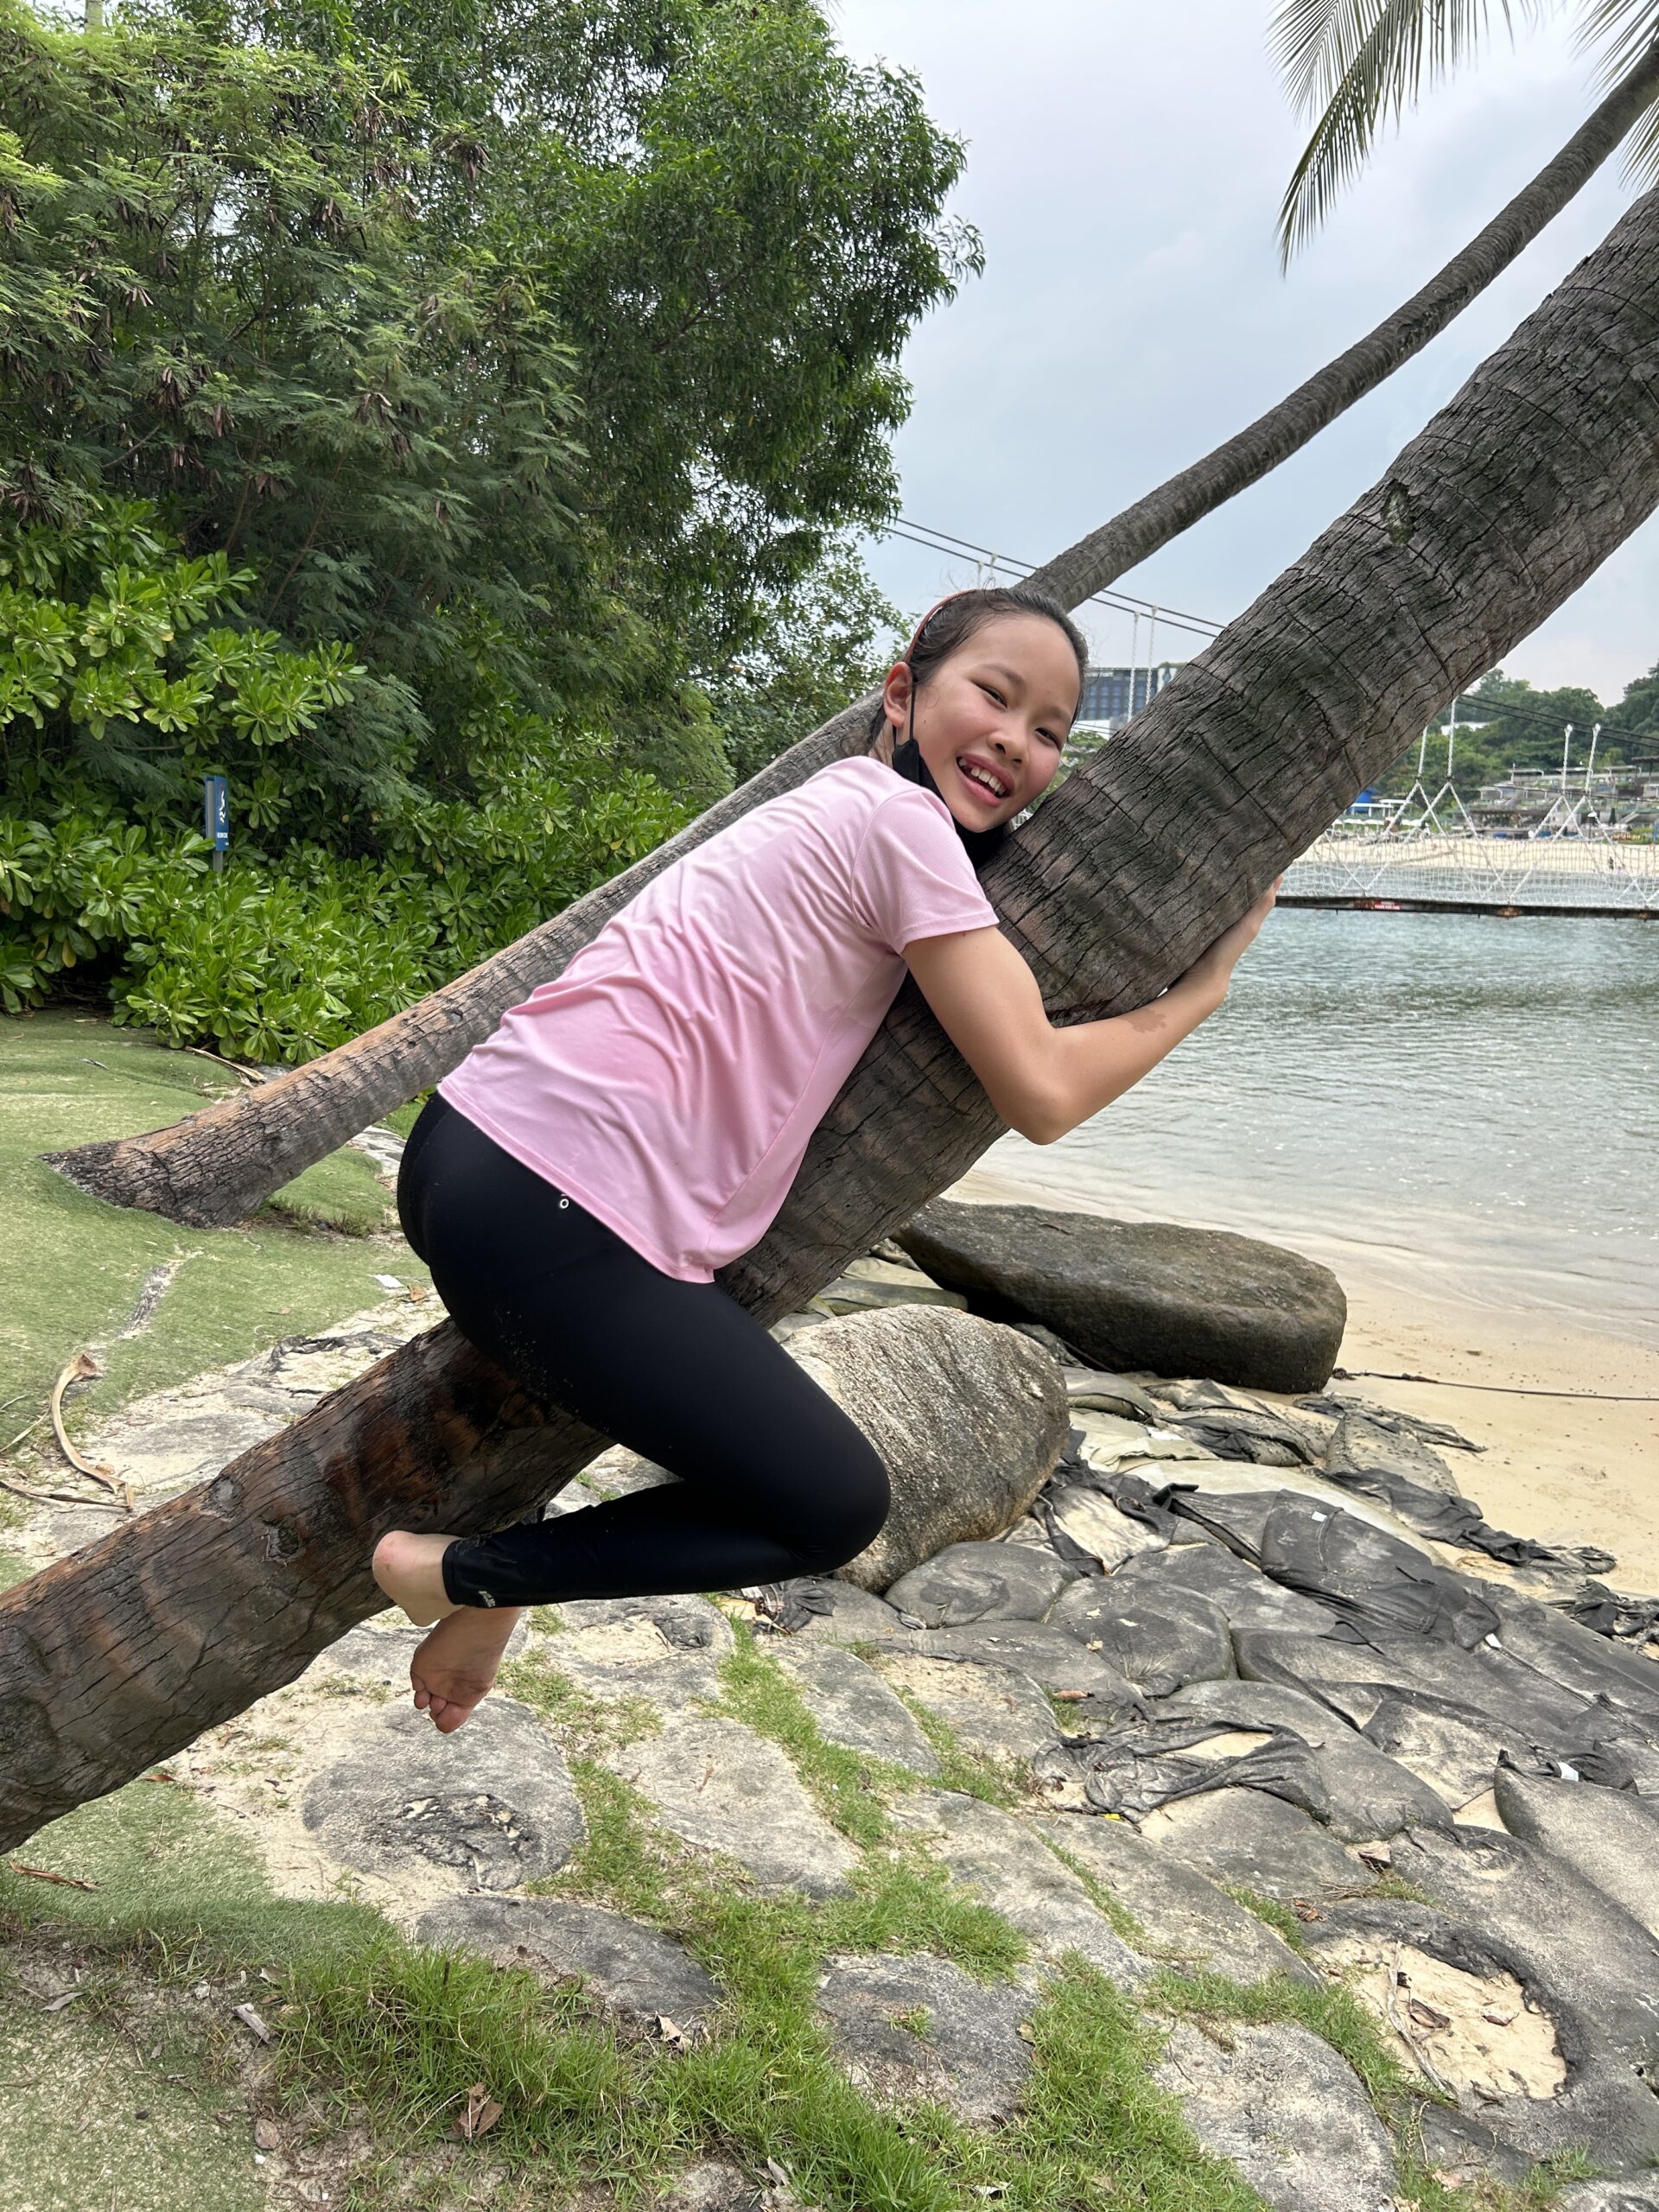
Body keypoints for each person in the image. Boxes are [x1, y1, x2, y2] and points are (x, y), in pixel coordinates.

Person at [373, 584, 1277, 1730]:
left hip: (479, 1153)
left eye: (1051, 730)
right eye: (992, 696)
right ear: (902, 695)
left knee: (689, 1414)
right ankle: (458, 1575)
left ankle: (490, 1580)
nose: (1016, 740)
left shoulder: (833, 808)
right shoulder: (904, 832)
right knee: (831, 1504)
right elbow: (1040, 1090)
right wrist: (1203, 993)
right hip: (554, 1201)